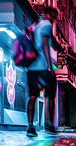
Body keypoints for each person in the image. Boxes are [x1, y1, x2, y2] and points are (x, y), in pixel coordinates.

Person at [26, 7, 58, 137]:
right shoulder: (47, 25)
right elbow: (45, 43)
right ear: (45, 14)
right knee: (50, 96)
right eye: (52, 15)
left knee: (33, 96)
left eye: (55, 17)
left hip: (31, 67)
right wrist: (50, 66)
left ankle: (30, 126)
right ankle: (50, 124)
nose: (53, 19)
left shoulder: (35, 25)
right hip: (43, 67)